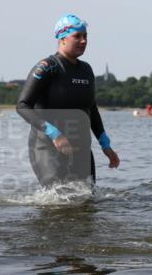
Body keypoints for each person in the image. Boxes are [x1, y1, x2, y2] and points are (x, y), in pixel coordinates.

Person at [16, 14, 120, 186]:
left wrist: (105, 145)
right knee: (57, 200)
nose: (83, 41)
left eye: (85, 36)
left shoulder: (86, 70)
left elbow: (91, 109)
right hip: (48, 146)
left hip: (81, 149)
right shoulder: (47, 67)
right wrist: (54, 133)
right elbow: (22, 106)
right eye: (77, 36)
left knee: (87, 202)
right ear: (62, 39)